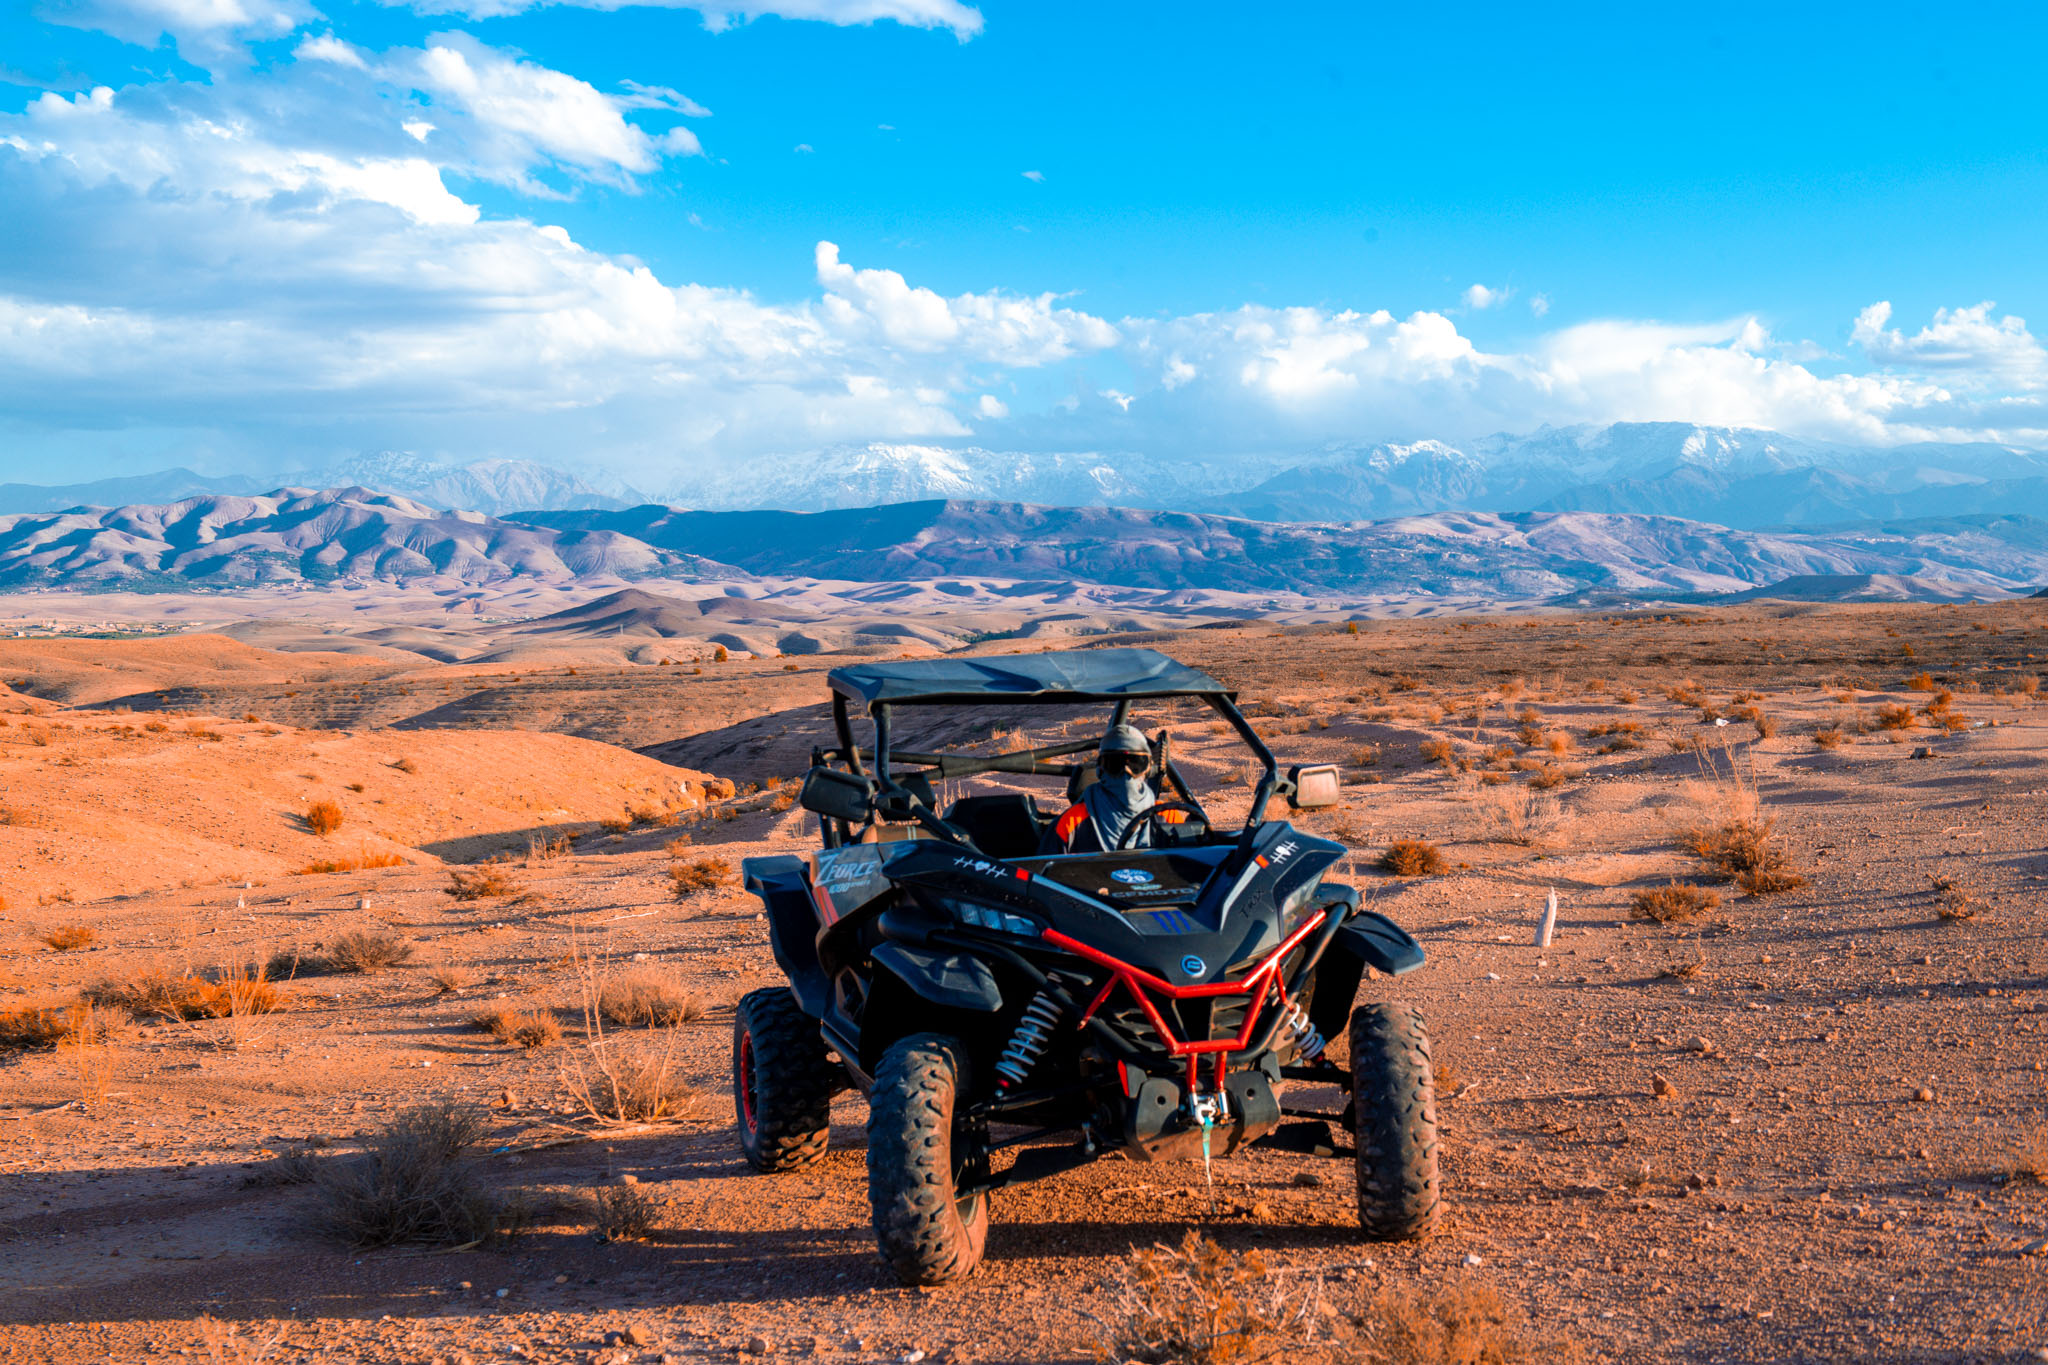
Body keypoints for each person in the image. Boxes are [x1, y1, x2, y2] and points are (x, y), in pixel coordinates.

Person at [1045, 724, 1185, 853]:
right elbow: (1043, 874)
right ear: (1100, 769)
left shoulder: (1167, 816)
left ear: (1147, 769)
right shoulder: (1073, 822)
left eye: (1136, 764)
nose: (1126, 773)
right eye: (1114, 764)